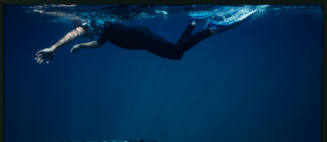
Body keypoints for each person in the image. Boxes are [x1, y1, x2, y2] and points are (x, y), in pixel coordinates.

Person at [35, 19, 234, 64]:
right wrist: (81, 46)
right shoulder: (102, 31)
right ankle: (191, 23)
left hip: (142, 38)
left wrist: (54, 47)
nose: (80, 32)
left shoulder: (89, 24)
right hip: (142, 40)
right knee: (176, 53)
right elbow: (98, 43)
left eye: (78, 28)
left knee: (176, 53)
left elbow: (73, 34)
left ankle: (211, 29)